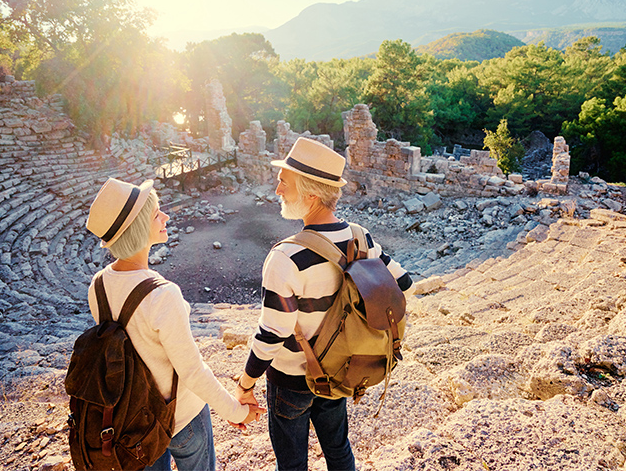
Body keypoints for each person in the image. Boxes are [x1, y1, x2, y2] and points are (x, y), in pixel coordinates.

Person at [233, 137, 413, 471]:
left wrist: (245, 384)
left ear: (311, 194)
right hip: (340, 370)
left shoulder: (285, 256)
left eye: (283, 184)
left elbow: (273, 333)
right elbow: (403, 283)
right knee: (338, 449)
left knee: (292, 464)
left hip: (290, 381)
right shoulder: (360, 236)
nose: (277, 191)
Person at [86, 178, 264, 470]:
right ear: (140, 228)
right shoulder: (162, 294)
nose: (165, 217)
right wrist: (235, 410)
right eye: (157, 213)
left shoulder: (98, 285)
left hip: (133, 420)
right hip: (181, 419)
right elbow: (191, 371)